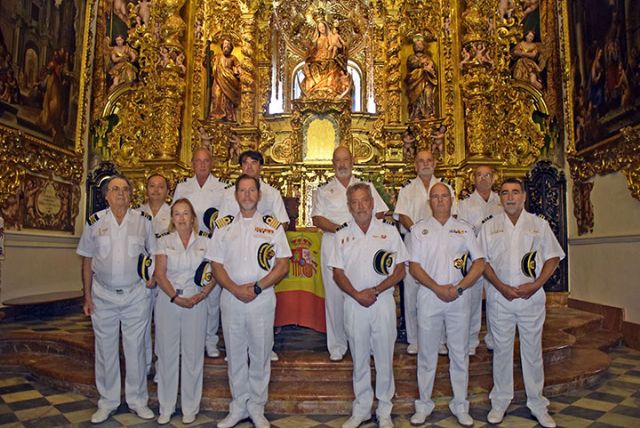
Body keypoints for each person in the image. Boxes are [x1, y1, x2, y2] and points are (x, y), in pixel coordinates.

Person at [208, 175, 291, 428]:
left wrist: (256, 287)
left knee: (260, 354)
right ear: (235, 195)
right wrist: (234, 288)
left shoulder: (272, 226)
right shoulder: (223, 226)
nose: (246, 195)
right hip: (231, 298)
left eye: (251, 190)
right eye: (242, 191)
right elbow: (216, 264)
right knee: (234, 354)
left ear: (258, 194)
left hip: (261, 298)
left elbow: (283, 264)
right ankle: (237, 407)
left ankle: (256, 407)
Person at [480, 178, 564, 428]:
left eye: (515, 192)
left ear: (524, 196)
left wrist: (536, 284)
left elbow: (552, 258)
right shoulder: (489, 226)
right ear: (500, 197)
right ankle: (500, 401)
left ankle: (537, 403)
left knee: (532, 352)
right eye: (505, 193)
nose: (510, 197)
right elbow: (482, 262)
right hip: (500, 298)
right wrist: (501, 287)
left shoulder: (539, 225)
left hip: (531, 299)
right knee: (502, 352)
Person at [76, 175, 156, 424]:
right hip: (103, 296)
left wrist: (150, 280)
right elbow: (87, 260)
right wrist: (87, 295)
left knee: (135, 349)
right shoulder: (94, 223)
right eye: (115, 189)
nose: (120, 193)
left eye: (125, 189)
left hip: (135, 295)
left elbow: (154, 255)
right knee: (106, 349)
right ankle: (107, 401)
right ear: (107, 195)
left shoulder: (143, 222)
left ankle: (138, 401)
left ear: (131, 194)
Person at [329, 183, 408, 428]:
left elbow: (400, 269)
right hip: (353, 303)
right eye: (355, 202)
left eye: (364, 201)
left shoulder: (389, 232)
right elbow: (337, 273)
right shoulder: (341, 235)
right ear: (349, 206)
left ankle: (384, 409)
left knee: (385, 357)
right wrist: (355, 293)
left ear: (372, 203)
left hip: (382, 302)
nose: (361, 206)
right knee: (359, 358)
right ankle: (362, 408)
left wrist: (375, 290)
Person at [408, 183, 485, 427]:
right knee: (427, 354)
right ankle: (424, 404)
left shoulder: (464, 230)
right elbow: (415, 267)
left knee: (459, 353)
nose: (440, 200)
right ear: (429, 202)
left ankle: (461, 405)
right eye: (435, 197)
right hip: (430, 297)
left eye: (444, 196)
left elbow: (480, 262)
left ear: (452, 200)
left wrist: (460, 287)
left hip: (458, 298)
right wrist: (437, 288)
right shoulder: (419, 230)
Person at [311, 146, 388, 361]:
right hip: (334, 244)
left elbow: (381, 211)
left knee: (360, 291)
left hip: (363, 245)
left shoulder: (366, 186)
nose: (342, 164)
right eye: (338, 161)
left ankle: (367, 343)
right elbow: (317, 218)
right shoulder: (324, 190)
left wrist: (359, 228)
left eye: (346, 160)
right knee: (335, 297)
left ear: (352, 161)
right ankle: (337, 345)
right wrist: (343, 230)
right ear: (332, 164)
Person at [219, 150, 289, 361]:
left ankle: (267, 346)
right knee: (235, 334)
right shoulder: (229, 193)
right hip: (234, 260)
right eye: (245, 163)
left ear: (261, 166)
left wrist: (268, 243)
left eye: (254, 163)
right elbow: (220, 227)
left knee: (262, 327)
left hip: (263, 259)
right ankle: (233, 350)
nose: (249, 167)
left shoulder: (271, 193)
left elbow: (282, 222)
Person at [154, 198, 216, 425]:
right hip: (169, 301)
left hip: (196, 301)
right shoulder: (164, 241)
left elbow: (214, 273)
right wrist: (175, 297)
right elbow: (160, 274)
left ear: (193, 217)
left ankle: (190, 407)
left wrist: (201, 295)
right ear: (172, 218)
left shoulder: (206, 242)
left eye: (185, 213)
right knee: (167, 355)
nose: (181, 218)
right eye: (177, 214)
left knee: (192, 357)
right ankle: (166, 407)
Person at [394, 150, 453, 355]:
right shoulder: (407, 190)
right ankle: (414, 340)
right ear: (415, 166)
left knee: (440, 290)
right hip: (415, 244)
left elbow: (453, 215)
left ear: (434, 164)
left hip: (440, 248)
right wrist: (417, 231)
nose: (425, 164)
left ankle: (440, 340)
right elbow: (402, 215)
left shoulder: (446, 188)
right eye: (421, 161)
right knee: (411, 294)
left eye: (429, 161)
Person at [173, 147, 228, 358]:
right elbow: (176, 215)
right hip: (188, 242)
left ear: (211, 163)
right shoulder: (183, 187)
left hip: (211, 243)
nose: (202, 165)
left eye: (206, 161)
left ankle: (210, 340)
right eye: (198, 161)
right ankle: (190, 339)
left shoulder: (223, 188)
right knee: (188, 288)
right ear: (192, 163)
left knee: (211, 294)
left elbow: (224, 220)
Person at [457, 166, 504, 355]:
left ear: (493, 179)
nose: (483, 179)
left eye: (487, 175)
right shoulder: (465, 205)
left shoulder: (501, 203)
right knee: (473, 300)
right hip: (474, 258)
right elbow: (462, 232)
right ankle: (470, 341)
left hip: (496, 258)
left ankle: (494, 338)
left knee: (496, 299)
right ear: (474, 179)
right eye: (479, 175)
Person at [137, 174, 171, 376]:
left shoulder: (174, 213)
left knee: (163, 323)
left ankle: (161, 366)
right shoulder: (136, 214)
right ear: (146, 189)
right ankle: (144, 363)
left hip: (166, 274)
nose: (156, 190)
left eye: (161, 186)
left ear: (168, 191)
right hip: (143, 276)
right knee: (142, 322)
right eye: (152, 186)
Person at [302, 20, 351, 98]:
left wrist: (337, 46)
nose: (322, 29)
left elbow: (340, 47)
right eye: (319, 27)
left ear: (326, 27)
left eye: (323, 26)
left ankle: (331, 88)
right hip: (317, 59)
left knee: (334, 66)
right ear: (317, 29)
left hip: (329, 58)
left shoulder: (331, 37)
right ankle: (315, 90)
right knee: (311, 67)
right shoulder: (316, 40)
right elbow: (311, 51)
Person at [405, 37, 438, 120]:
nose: (418, 46)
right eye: (416, 45)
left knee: (428, 94)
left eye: (420, 45)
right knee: (417, 98)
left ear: (424, 46)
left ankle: (428, 113)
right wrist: (421, 64)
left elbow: (433, 68)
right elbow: (411, 64)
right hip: (415, 81)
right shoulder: (411, 57)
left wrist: (430, 67)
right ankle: (416, 114)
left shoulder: (427, 57)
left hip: (427, 80)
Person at [209, 38, 241, 122]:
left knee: (227, 99)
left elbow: (238, 66)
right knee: (217, 95)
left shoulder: (233, 58)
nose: (226, 48)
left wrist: (237, 72)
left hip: (229, 81)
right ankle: (217, 114)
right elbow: (209, 65)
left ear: (231, 48)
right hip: (218, 80)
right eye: (224, 46)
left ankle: (228, 115)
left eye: (228, 46)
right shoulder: (217, 57)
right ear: (222, 47)